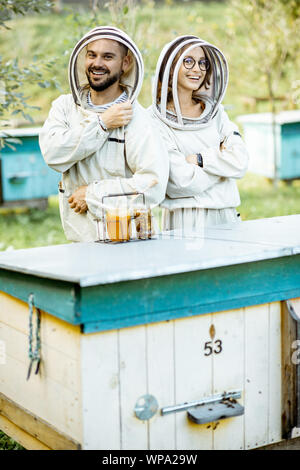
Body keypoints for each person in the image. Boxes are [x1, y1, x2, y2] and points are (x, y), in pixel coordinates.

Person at [39, 26, 168, 242]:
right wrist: (102, 125)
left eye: (108, 56)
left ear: (125, 63)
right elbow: (53, 154)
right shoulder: (64, 107)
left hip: (129, 244)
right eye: (92, 55)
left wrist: (92, 195)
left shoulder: (137, 118)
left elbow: (153, 184)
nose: (97, 63)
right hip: (79, 241)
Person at [149, 35, 249, 233]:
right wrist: (223, 168)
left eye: (203, 63)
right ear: (169, 69)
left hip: (227, 216)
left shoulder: (216, 112)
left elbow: (241, 162)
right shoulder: (153, 120)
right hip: (185, 221)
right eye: (188, 61)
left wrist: (201, 159)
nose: (197, 69)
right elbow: (180, 182)